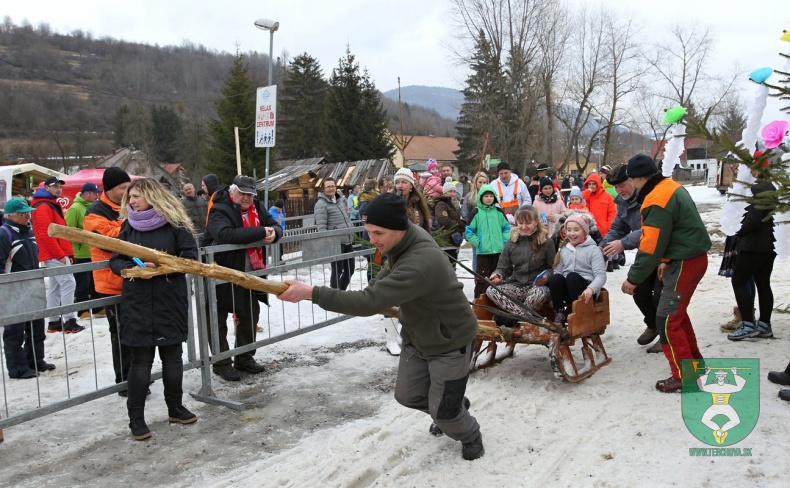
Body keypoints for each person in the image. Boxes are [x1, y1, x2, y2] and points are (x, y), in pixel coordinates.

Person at [278, 193, 485, 460]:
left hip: (449, 342)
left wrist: (312, 293)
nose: (372, 239)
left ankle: (469, 432)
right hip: (419, 338)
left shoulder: (420, 262)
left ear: (399, 228)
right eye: (369, 231)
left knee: (443, 413)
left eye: (378, 233)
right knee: (408, 395)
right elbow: (381, 283)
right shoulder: (405, 239)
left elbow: (369, 302)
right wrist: (374, 289)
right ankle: (451, 407)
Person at [110, 178, 199, 440]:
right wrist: (131, 269)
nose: (131, 201)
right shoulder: (128, 225)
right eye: (130, 197)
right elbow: (116, 259)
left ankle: (175, 408)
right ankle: (136, 419)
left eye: (136, 196)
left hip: (169, 299)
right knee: (140, 361)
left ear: (152, 196)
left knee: (172, 356)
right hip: (137, 301)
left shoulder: (176, 223)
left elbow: (190, 258)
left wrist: (161, 268)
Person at [621, 154, 711, 393]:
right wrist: (665, 260)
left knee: (667, 320)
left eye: (630, 180)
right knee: (676, 316)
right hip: (688, 257)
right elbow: (674, 231)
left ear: (638, 178)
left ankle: (684, 377)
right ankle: (695, 367)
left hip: (685, 262)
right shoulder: (669, 186)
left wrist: (634, 279)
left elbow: (650, 246)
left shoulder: (656, 200)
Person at [204, 175, 282, 381]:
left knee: (250, 315)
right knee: (217, 319)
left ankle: (244, 358)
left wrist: (274, 233)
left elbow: (275, 225)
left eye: (250, 194)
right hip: (221, 272)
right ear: (232, 191)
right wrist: (261, 232)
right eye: (242, 193)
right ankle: (221, 363)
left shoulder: (258, 207)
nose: (247, 198)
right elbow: (225, 235)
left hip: (249, 273)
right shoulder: (219, 208)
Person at [598, 163, 661, 349]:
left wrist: (623, 243)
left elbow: (651, 229)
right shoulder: (623, 201)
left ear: (633, 180)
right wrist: (601, 248)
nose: (619, 191)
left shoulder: (650, 197)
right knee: (638, 289)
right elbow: (618, 227)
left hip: (666, 253)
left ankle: (667, 336)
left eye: (622, 185)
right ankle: (653, 324)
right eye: (616, 187)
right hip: (646, 253)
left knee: (662, 296)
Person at [84, 167, 134, 394]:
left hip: (132, 276)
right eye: (123, 188)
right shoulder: (95, 211)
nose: (127, 192)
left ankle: (137, 374)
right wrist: (132, 224)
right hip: (111, 282)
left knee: (136, 329)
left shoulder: (129, 206)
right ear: (110, 189)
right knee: (120, 333)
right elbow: (106, 240)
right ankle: (124, 380)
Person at [1, 198, 56, 378]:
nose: (28, 217)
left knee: (36, 327)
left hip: (33, 287)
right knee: (15, 331)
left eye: (28, 213)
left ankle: (35, 360)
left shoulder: (28, 232)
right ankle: (18, 368)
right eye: (23, 214)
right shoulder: (4, 233)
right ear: (12, 216)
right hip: (14, 290)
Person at [726, 164, 776, 341]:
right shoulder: (770, 186)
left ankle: (748, 324)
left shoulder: (756, 188)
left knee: (738, 280)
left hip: (753, 245)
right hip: (769, 244)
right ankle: (764, 325)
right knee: (763, 283)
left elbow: (753, 220)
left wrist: (737, 230)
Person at [31, 176, 84, 334]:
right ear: (46, 188)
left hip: (55, 252)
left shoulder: (48, 204)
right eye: (55, 187)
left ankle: (54, 321)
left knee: (55, 287)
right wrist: (60, 254)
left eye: (60, 187)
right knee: (68, 283)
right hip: (54, 252)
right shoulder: (44, 206)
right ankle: (69, 320)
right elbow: (45, 233)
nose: (59, 189)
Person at [487, 205, 555, 318]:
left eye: (528, 223)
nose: (524, 227)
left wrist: (546, 276)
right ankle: (524, 317)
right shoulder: (511, 243)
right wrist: (497, 275)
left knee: (538, 295)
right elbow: (503, 267)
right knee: (491, 291)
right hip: (517, 285)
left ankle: (511, 319)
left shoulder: (546, 243)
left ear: (536, 222)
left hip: (537, 287)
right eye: (520, 223)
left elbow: (553, 268)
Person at [548, 214, 606, 325]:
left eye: (576, 230)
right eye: (569, 230)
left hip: (586, 291)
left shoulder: (593, 250)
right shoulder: (564, 249)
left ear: (584, 232)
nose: (572, 233)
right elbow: (558, 271)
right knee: (555, 278)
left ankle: (580, 312)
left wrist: (591, 289)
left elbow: (601, 275)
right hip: (568, 290)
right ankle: (559, 312)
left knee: (572, 276)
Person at [465, 184, 511, 298]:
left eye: (491, 196)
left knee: (498, 277)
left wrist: (503, 242)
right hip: (483, 253)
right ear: (481, 197)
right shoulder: (476, 212)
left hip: (498, 252)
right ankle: (480, 301)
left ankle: (498, 300)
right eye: (486, 196)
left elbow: (506, 228)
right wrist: (479, 243)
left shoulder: (499, 212)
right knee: (482, 278)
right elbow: (469, 232)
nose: (489, 198)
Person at [65, 182, 102, 319]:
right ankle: (82, 310)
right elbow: (67, 230)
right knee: (82, 283)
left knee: (95, 281)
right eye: (95, 193)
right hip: (80, 252)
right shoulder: (75, 208)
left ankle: (98, 308)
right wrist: (81, 238)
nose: (97, 196)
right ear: (86, 193)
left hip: (93, 251)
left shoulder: (93, 207)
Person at [315, 177, 356, 290]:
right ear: (323, 189)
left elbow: (346, 218)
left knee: (350, 269)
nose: (331, 188)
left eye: (332, 186)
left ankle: (340, 292)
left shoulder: (339, 200)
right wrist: (327, 243)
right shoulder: (321, 204)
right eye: (328, 186)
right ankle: (334, 294)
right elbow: (321, 227)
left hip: (347, 239)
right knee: (337, 270)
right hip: (335, 242)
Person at [433, 179, 465, 264]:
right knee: (447, 264)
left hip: (453, 239)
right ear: (445, 192)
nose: (453, 194)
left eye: (454, 191)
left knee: (453, 264)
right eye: (450, 191)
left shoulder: (454, 204)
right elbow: (443, 219)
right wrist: (458, 225)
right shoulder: (441, 204)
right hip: (445, 239)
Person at [393, 168, 432, 233]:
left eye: (404, 182)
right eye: (397, 182)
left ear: (411, 185)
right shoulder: (390, 203)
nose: (400, 186)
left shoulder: (418, 204)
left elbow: (425, 230)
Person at [581, 172, 616, 237]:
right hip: (587, 231)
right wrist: (587, 192)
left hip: (602, 231)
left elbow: (612, 213)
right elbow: (578, 202)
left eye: (594, 184)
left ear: (598, 184)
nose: (591, 186)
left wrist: (607, 226)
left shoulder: (607, 196)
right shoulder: (586, 195)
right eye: (589, 184)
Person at [268, 199, 287, 264]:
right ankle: (276, 261)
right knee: (276, 246)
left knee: (281, 247)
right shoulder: (270, 213)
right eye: (280, 208)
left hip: (280, 232)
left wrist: (282, 230)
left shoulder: (281, 214)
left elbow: (283, 223)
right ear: (277, 207)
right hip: (274, 232)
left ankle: (280, 259)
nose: (281, 210)